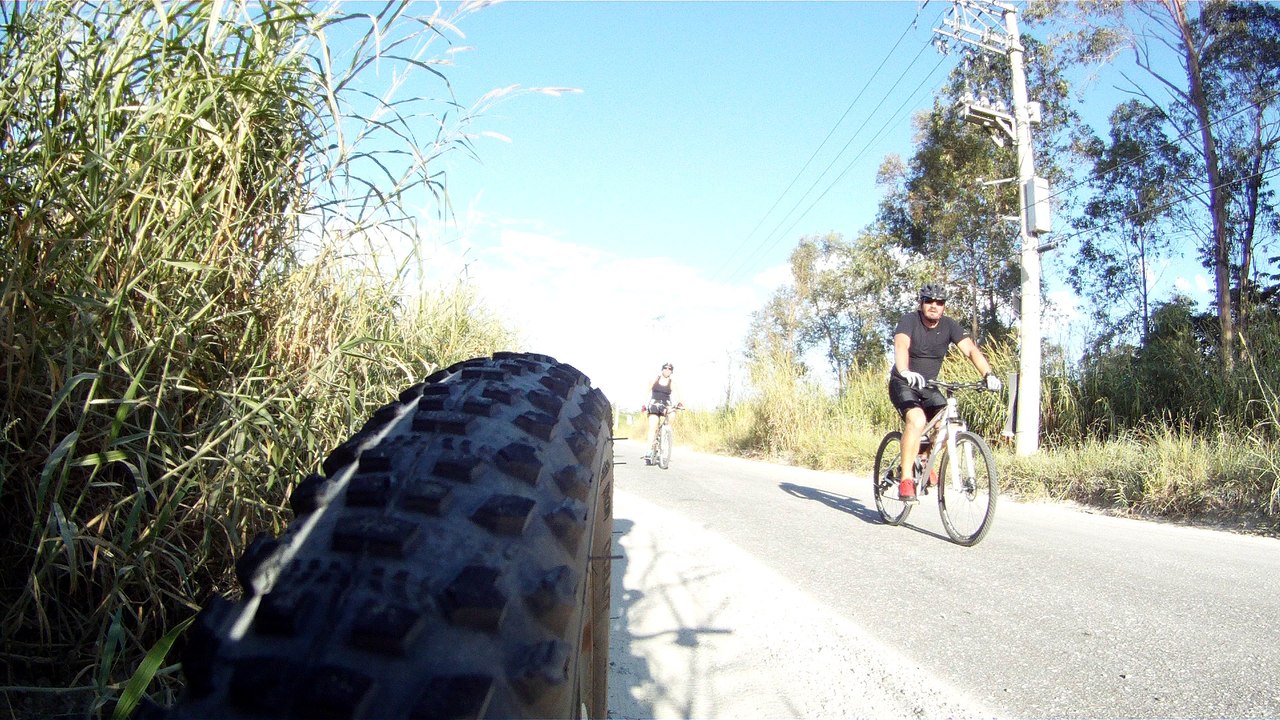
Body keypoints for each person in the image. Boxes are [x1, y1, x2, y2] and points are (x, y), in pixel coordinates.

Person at [889, 283, 1001, 502]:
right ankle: (906, 479)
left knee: (947, 427)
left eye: (939, 302)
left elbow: (970, 349)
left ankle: (923, 459)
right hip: (903, 382)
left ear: (943, 307)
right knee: (917, 420)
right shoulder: (909, 320)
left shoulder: (949, 326)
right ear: (921, 303)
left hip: (928, 386)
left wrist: (989, 374)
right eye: (929, 301)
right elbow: (901, 345)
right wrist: (904, 370)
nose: (934, 306)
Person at [642, 362, 682, 464]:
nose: (667, 370)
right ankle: (649, 450)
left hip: (666, 405)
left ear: (671, 371)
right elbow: (646, 392)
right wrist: (643, 404)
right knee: (653, 427)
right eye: (665, 368)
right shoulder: (655, 380)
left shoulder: (672, 383)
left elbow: (677, 396)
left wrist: (679, 403)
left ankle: (667, 431)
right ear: (662, 369)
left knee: (672, 413)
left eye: (670, 369)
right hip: (654, 404)